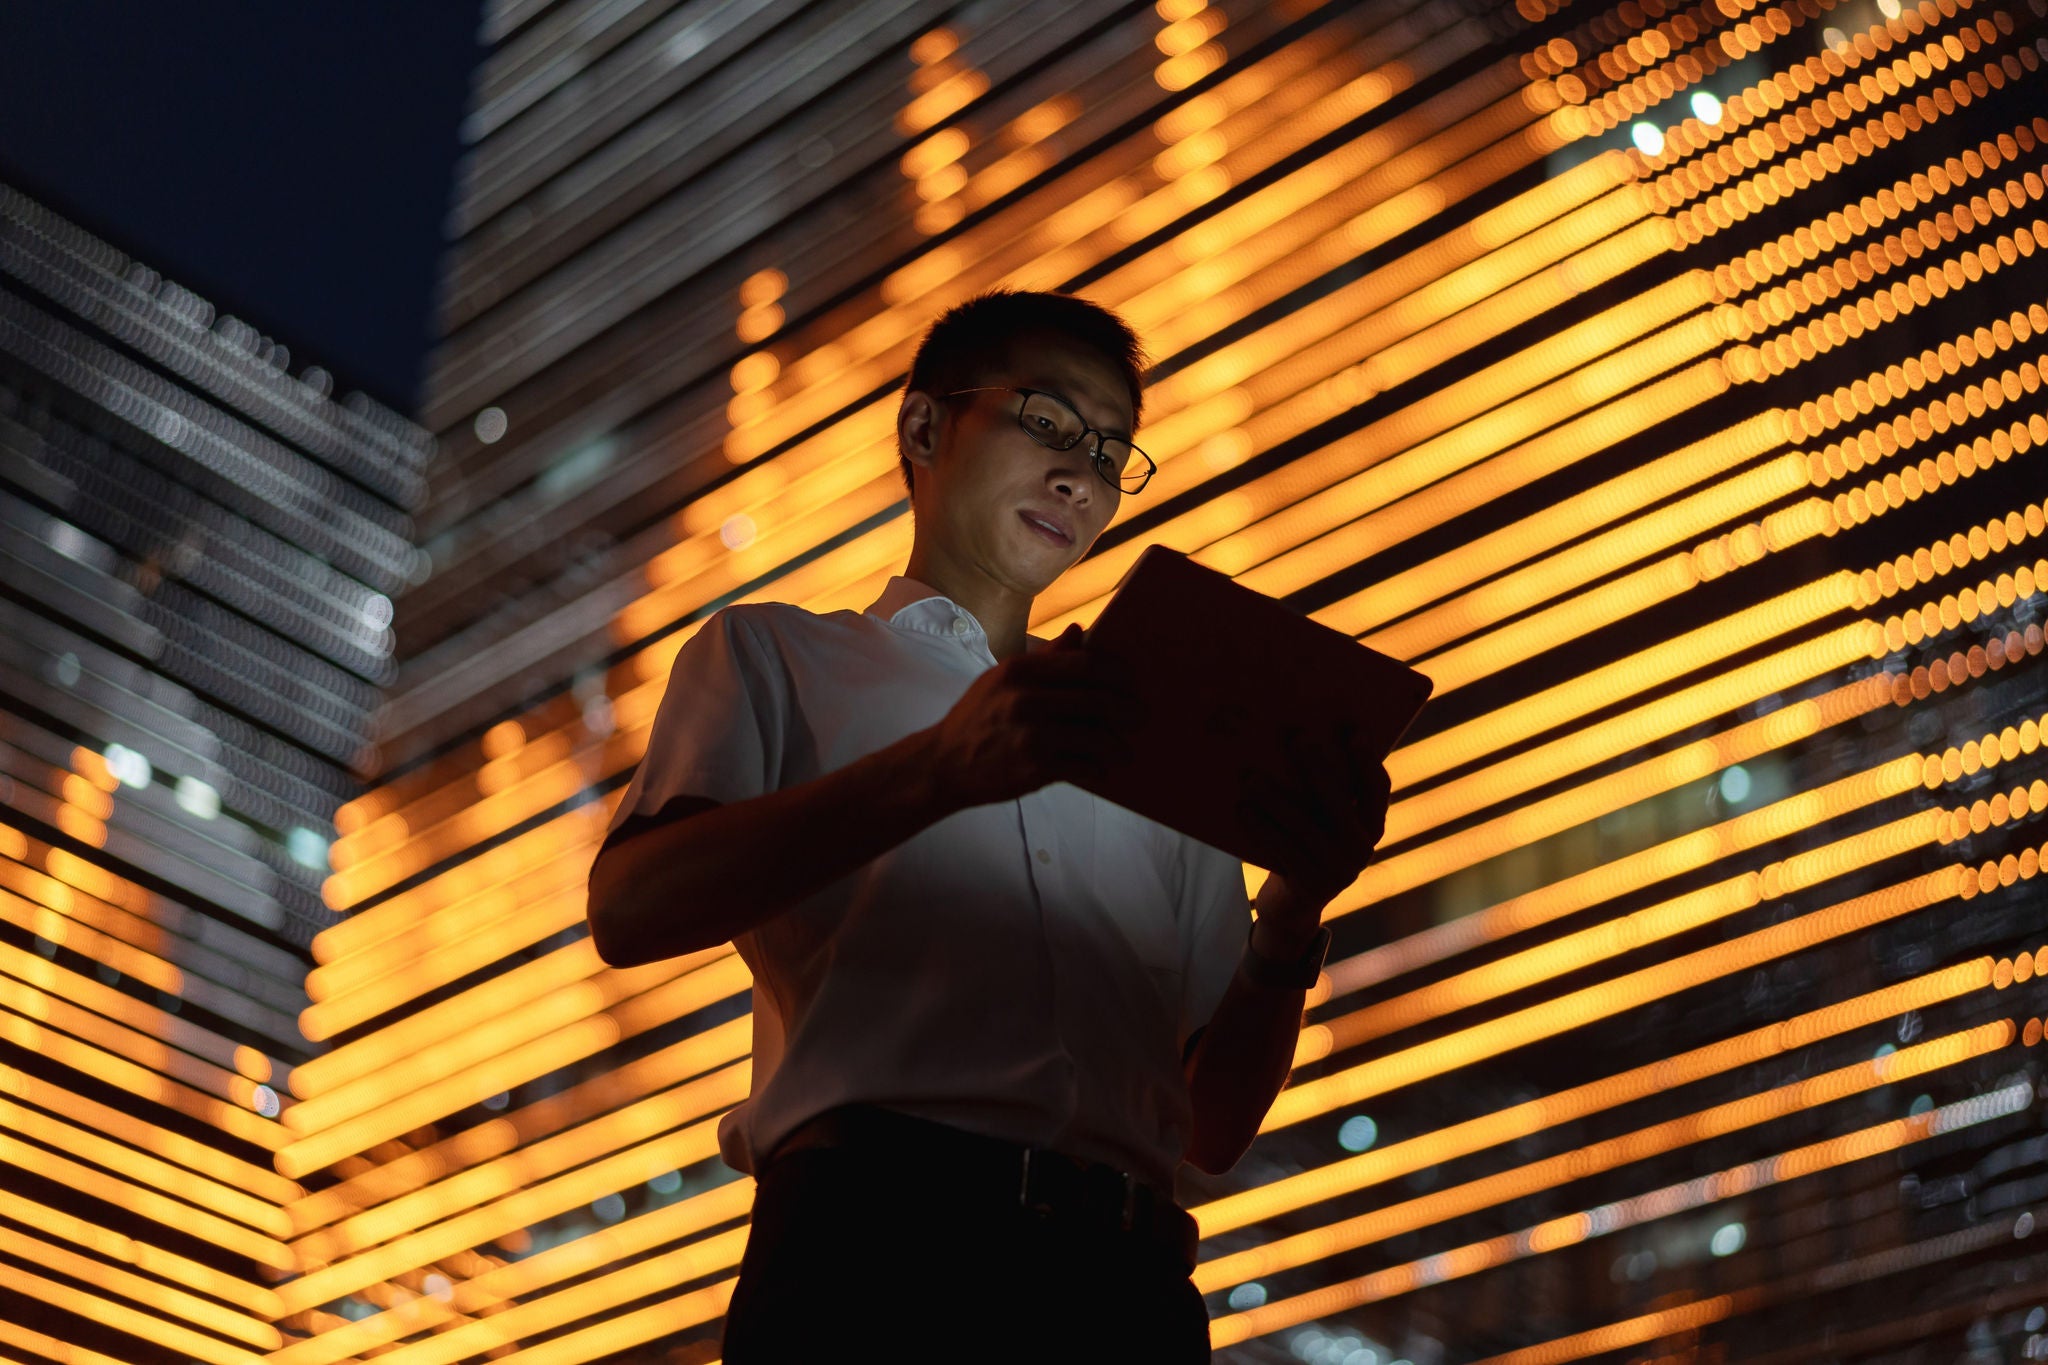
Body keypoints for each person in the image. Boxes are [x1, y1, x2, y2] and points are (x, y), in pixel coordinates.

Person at [586, 289, 1391, 1361]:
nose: (1080, 474)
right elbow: (631, 908)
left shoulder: (1158, 739)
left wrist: (1288, 920)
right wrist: (936, 770)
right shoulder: (775, 656)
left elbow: (1209, 1124)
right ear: (925, 428)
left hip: (1129, 1291)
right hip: (875, 1258)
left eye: (1109, 453)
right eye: (1048, 422)